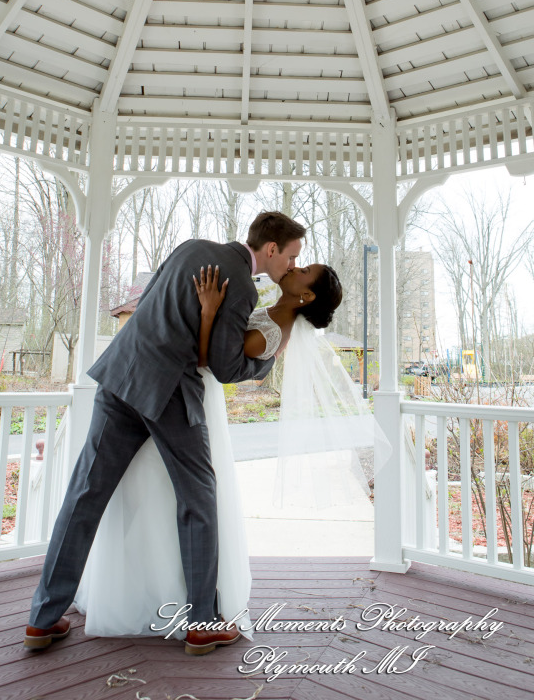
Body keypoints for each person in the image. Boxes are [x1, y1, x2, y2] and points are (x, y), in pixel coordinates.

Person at [24, 211, 306, 654]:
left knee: (83, 496)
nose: (290, 265)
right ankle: (202, 623)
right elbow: (226, 366)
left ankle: (41, 618)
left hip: (120, 373)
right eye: (291, 256)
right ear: (271, 249)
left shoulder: (190, 246)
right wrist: (269, 359)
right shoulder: (243, 284)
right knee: (199, 501)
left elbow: (146, 302)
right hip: (169, 390)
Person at [72, 260, 344, 648]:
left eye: (304, 271)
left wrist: (210, 310)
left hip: (191, 394)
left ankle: (191, 609)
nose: (294, 267)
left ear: (307, 295)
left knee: (191, 497)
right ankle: (158, 595)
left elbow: (211, 362)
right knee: (165, 495)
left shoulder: (272, 330)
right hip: (172, 389)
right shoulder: (273, 312)